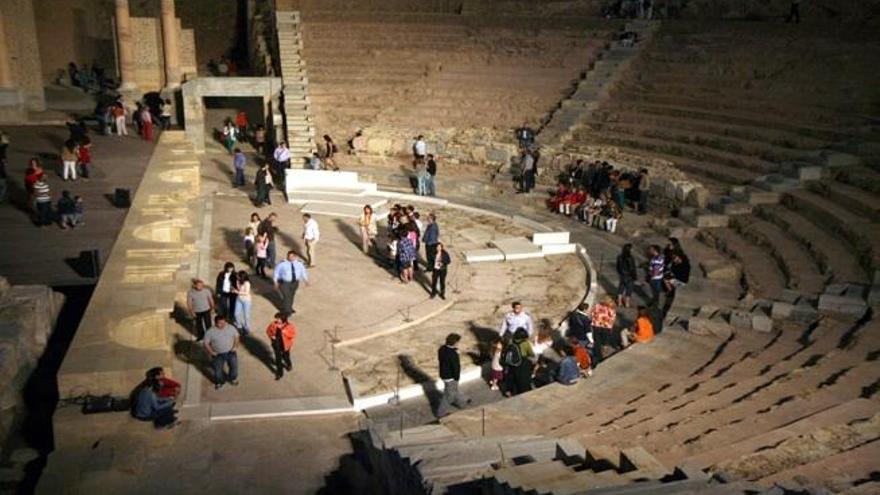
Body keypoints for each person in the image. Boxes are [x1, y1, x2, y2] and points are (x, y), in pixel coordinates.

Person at [436, 333, 470, 418]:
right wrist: (457, 377)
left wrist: (454, 350)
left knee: (453, 390)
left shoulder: (442, 349)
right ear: (455, 343)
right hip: (450, 376)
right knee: (449, 396)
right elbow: (456, 367)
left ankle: (462, 403)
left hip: (443, 373)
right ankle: (441, 413)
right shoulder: (453, 354)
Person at [204, 315, 239, 389]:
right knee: (218, 370)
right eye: (220, 323)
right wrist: (211, 352)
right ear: (215, 323)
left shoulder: (230, 327)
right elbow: (206, 343)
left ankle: (233, 378)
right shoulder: (210, 331)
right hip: (218, 354)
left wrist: (235, 346)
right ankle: (219, 382)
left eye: (224, 323)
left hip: (230, 352)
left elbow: (236, 336)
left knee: (234, 367)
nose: (223, 325)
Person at [503, 328, 535, 396]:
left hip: (512, 363)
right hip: (522, 363)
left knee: (511, 377)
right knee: (523, 378)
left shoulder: (511, 341)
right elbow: (531, 354)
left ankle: (509, 391)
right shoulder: (526, 343)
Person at [266, 312, 296, 380]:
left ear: (282, 319)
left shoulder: (289, 326)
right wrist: (271, 336)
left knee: (286, 356)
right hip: (277, 345)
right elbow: (268, 331)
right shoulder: (274, 324)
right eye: (276, 319)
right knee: (278, 359)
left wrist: (285, 332)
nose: (277, 320)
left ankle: (288, 364)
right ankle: (280, 373)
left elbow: (293, 334)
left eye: (278, 319)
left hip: (285, 345)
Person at [590, 297, 617, 365]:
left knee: (597, 341)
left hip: (596, 326)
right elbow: (612, 318)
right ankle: (604, 355)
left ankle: (597, 355)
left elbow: (592, 314)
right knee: (605, 342)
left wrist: (594, 321)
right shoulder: (611, 308)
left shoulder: (597, 305)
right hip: (606, 327)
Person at [616, 243, 638, 308]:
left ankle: (619, 302)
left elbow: (617, 267)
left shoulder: (619, 257)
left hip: (622, 275)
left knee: (621, 288)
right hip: (629, 276)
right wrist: (634, 277)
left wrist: (620, 273)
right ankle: (627, 303)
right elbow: (632, 269)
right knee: (629, 290)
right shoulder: (630, 258)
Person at [233, 271, 252, 335]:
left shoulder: (247, 283)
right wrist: (237, 283)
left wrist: (237, 292)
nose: (237, 276)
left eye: (238, 276)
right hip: (239, 299)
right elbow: (238, 289)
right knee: (236, 314)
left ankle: (247, 328)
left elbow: (247, 292)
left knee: (246, 315)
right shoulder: (238, 281)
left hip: (246, 300)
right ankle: (239, 326)